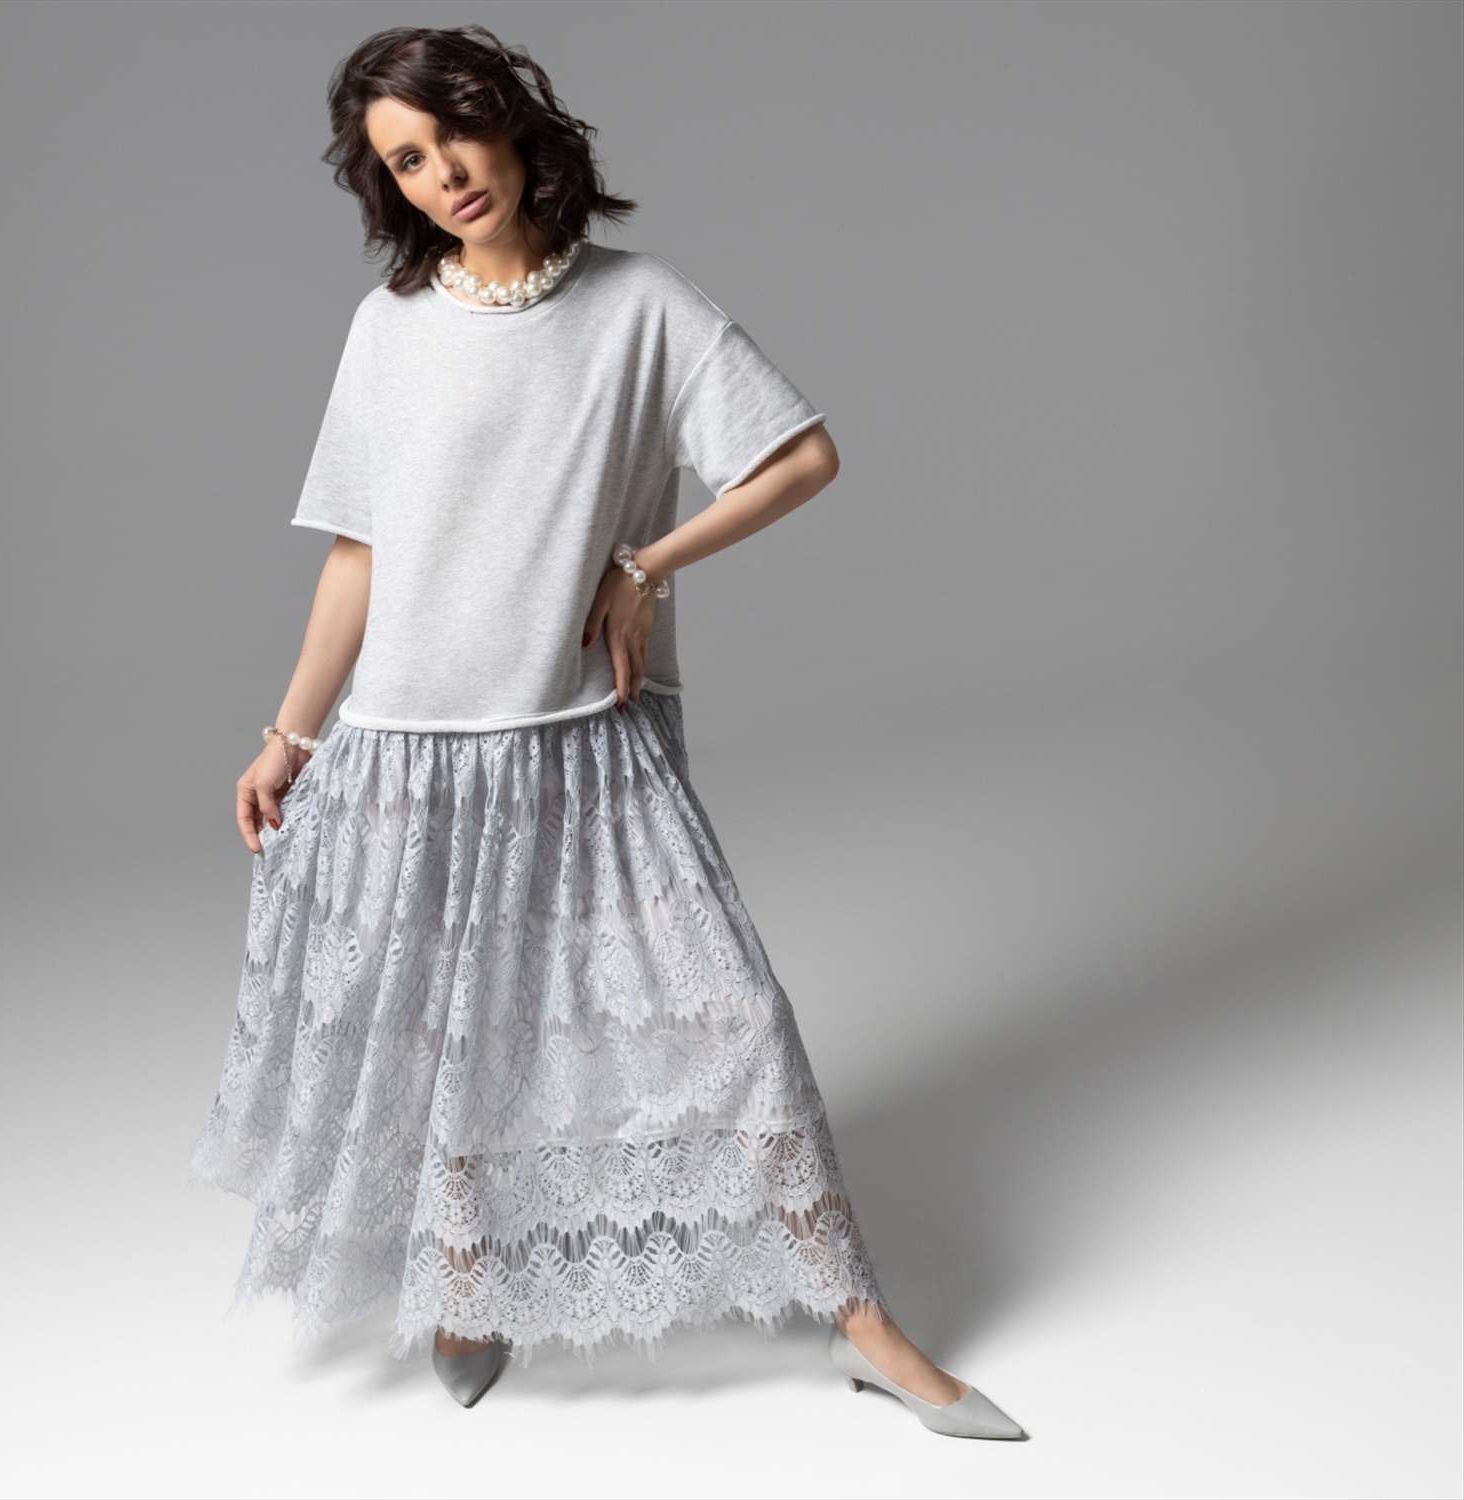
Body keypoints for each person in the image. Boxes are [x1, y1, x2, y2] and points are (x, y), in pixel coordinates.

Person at [189, 23, 1025, 1442]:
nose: (445, 174)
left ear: (512, 122)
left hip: (582, 736)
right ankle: (467, 1285)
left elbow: (800, 457)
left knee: (733, 1023)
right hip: (407, 747)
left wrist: (648, 564)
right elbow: (358, 555)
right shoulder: (389, 329)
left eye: (454, 132)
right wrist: (290, 734)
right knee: (455, 1029)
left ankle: (866, 1325)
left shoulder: (642, 307)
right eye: (406, 161)